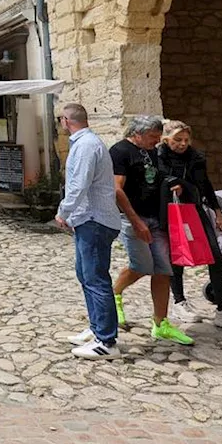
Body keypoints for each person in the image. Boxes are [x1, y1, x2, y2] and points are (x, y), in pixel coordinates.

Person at [159, 121, 222, 333]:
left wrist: (218, 212)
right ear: (166, 140)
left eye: (186, 140)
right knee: (177, 257)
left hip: (194, 210)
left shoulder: (196, 157)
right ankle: (179, 301)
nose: (183, 144)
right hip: (170, 212)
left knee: (215, 256)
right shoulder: (158, 157)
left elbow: (205, 185)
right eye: (177, 140)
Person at [110, 115, 194, 346]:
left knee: (163, 270)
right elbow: (117, 189)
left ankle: (161, 323)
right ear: (137, 133)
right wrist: (136, 222)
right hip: (133, 219)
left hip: (157, 218)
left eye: (158, 138)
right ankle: (113, 294)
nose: (156, 142)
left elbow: (157, 177)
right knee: (141, 266)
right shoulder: (120, 152)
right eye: (152, 137)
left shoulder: (153, 152)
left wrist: (172, 184)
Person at [54, 104, 124, 359]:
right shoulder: (87, 143)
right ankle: (97, 327)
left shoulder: (84, 146)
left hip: (94, 218)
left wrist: (64, 211)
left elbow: (78, 184)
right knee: (85, 274)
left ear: (65, 121)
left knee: (95, 278)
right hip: (90, 218)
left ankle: (106, 340)